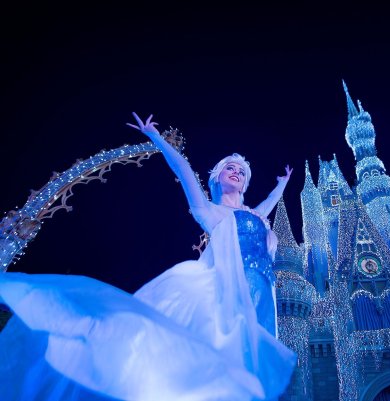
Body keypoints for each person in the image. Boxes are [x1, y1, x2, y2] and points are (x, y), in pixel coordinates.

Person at [0, 112, 296, 401]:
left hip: (261, 293)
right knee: (216, 359)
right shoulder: (210, 212)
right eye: (230, 168)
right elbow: (182, 168)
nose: (237, 172)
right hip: (224, 290)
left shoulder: (255, 215)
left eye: (242, 172)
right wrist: (156, 138)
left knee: (251, 366)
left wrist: (282, 184)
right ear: (217, 177)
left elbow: (268, 204)